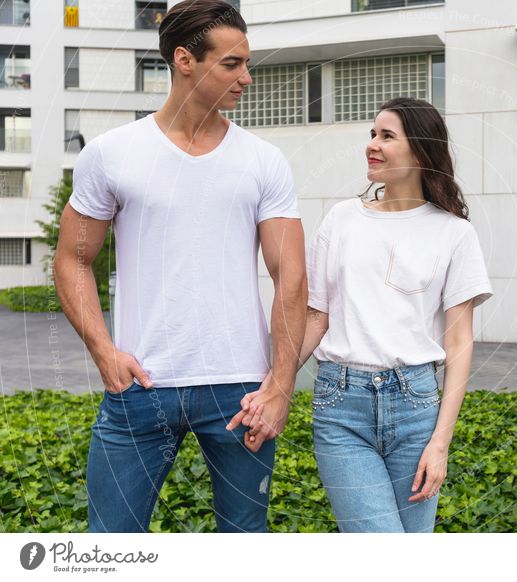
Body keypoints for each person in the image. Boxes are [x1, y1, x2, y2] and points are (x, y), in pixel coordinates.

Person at [53, 0, 306, 533]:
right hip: (140, 387)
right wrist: (104, 352)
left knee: (243, 547)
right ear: (185, 60)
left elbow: (292, 277)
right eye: (232, 64)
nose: (247, 79)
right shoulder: (110, 154)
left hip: (241, 392)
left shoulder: (264, 160)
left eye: (247, 64)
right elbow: (72, 259)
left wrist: (280, 384)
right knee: (111, 547)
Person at [232, 97, 492, 532]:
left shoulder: (454, 232)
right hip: (341, 407)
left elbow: (459, 341)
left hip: (416, 407)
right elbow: (317, 317)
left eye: (387, 136)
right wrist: (273, 387)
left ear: (421, 151)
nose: (372, 144)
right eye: (372, 134)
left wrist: (440, 443)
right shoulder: (341, 220)